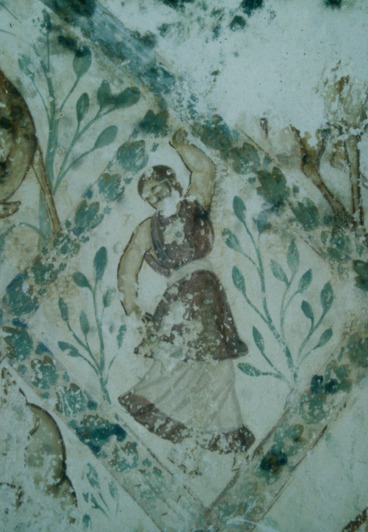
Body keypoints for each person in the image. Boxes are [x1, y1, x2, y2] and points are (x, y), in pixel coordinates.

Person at [117, 130, 254, 456]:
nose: (153, 196)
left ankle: (220, 432)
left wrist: (181, 146)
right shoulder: (147, 228)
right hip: (181, 295)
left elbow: (205, 169)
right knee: (190, 363)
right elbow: (127, 268)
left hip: (206, 290)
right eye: (148, 195)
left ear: (172, 182)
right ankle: (214, 431)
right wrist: (132, 309)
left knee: (212, 364)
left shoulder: (192, 204)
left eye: (156, 188)